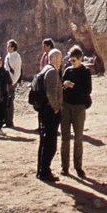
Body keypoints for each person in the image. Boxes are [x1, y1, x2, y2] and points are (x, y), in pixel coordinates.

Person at [60, 46, 93, 179]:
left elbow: (88, 90)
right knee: (65, 137)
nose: (71, 62)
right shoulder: (68, 70)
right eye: (70, 60)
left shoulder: (85, 71)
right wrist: (64, 84)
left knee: (78, 137)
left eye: (74, 60)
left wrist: (73, 86)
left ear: (80, 59)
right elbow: (61, 83)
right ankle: (65, 166)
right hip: (66, 106)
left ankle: (78, 166)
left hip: (79, 107)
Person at [31, 48, 64, 181]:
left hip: (44, 110)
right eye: (60, 58)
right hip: (50, 111)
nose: (61, 62)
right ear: (55, 58)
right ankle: (44, 171)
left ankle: (42, 170)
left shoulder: (44, 70)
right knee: (50, 142)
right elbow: (51, 92)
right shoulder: (51, 72)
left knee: (45, 141)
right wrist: (56, 107)